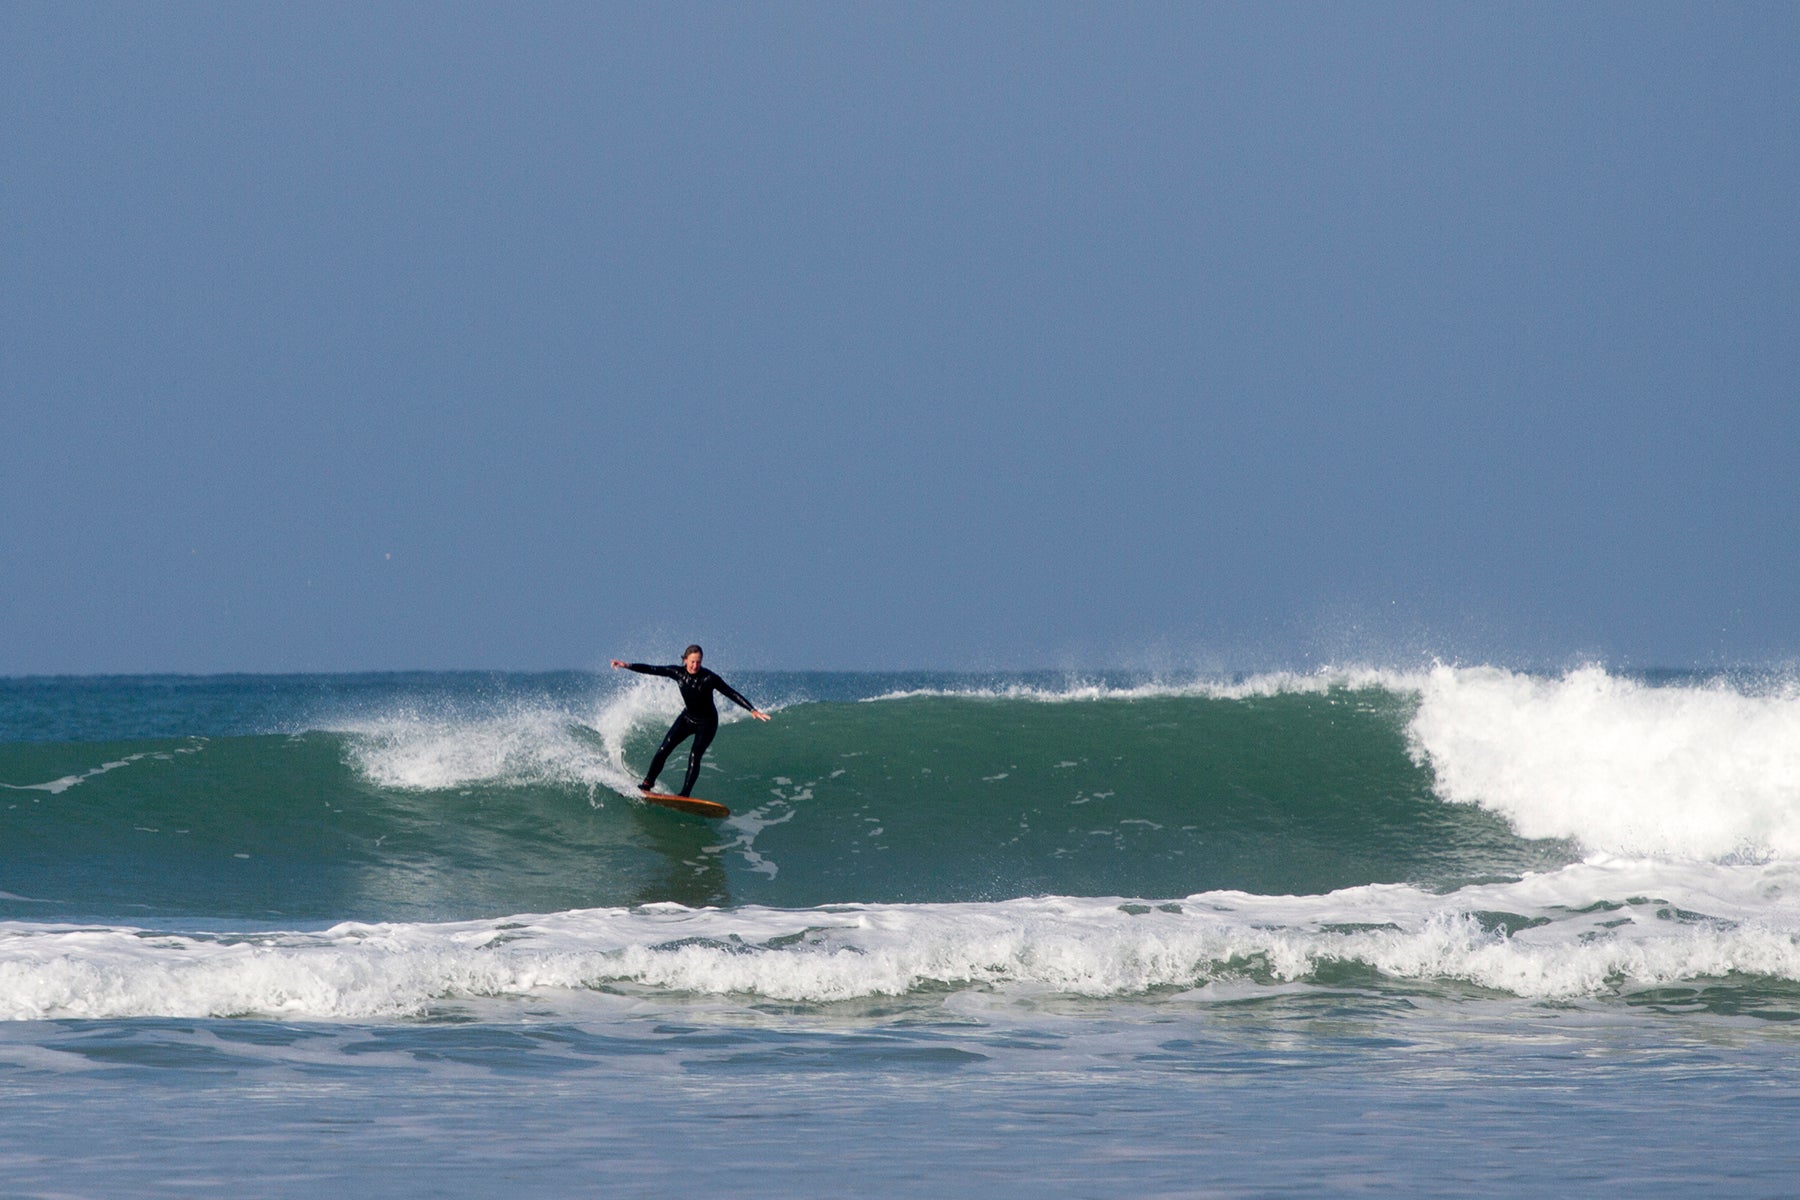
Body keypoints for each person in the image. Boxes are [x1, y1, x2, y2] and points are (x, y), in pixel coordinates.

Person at [610, 645, 770, 797]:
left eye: (698, 662)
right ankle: (647, 783)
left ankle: (685, 794)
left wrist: (752, 709)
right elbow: (652, 669)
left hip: (707, 723)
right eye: (692, 661)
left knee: (695, 755)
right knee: (664, 749)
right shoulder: (677, 672)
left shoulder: (709, 678)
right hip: (687, 718)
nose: (695, 665)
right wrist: (626, 665)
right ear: (685, 660)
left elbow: (730, 692)